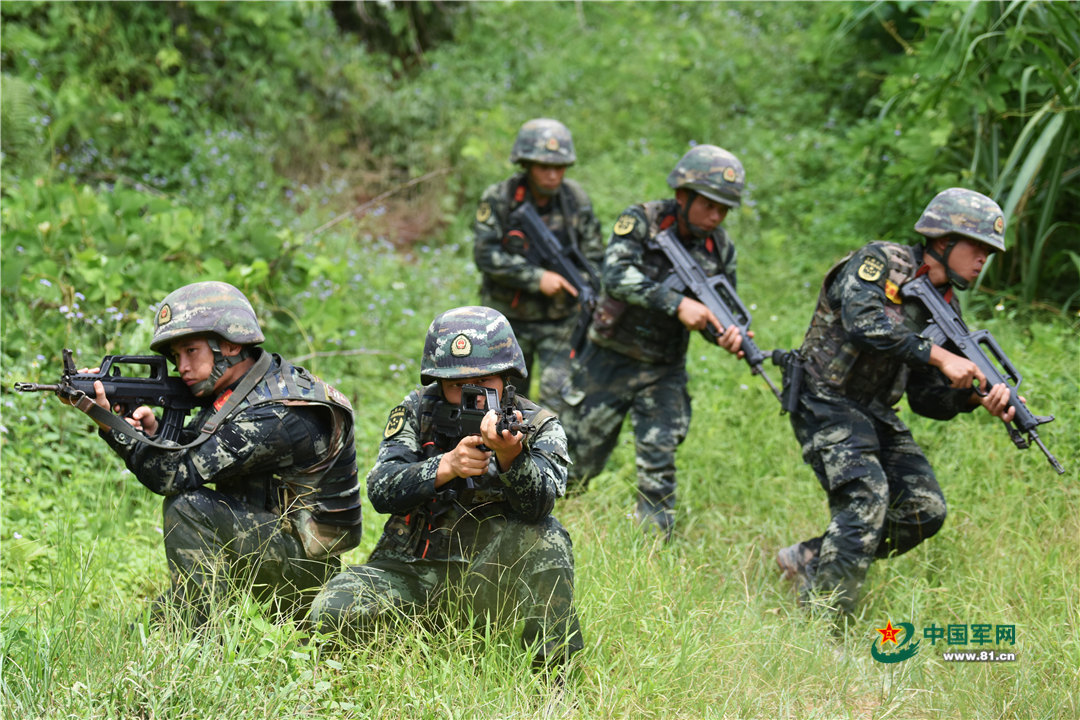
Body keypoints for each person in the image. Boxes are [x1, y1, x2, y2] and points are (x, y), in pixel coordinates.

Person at [775, 188, 1022, 616]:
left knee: (926, 509)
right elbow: (862, 322)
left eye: (989, 252)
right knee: (866, 502)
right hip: (825, 398)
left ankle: (813, 558)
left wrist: (970, 397)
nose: (983, 259)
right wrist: (940, 355)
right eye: (977, 247)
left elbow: (926, 399)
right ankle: (825, 625)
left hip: (873, 410)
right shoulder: (882, 262)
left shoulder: (945, 308)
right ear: (944, 241)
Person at [70, 281, 362, 625]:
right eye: (176, 356)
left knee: (187, 507)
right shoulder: (241, 391)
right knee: (146, 632)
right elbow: (192, 448)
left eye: (191, 351)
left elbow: (173, 475)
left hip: (302, 577)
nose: (182, 367)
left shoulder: (278, 412)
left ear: (229, 344)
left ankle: (203, 640)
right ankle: (203, 615)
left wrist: (108, 423)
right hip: (262, 549)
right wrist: (147, 431)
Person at [310, 306, 583, 672]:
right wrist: (445, 466)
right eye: (457, 386)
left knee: (547, 537)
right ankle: (394, 653)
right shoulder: (417, 410)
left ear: (507, 377)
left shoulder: (537, 426)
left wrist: (510, 457)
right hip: (410, 570)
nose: (473, 396)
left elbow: (539, 506)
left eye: (484, 384)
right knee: (332, 609)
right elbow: (380, 489)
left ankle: (553, 677)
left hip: (487, 584)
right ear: (438, 383)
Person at [561, 144, 748, 539]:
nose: (716, 216)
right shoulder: (642, 220)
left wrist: (727, 336)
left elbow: (719, 309)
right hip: (609, 360)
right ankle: (540, 524)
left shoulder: (720, 248)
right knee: (579, 460)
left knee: (658, 462)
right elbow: (614, 276)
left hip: (663, 369)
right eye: (709, 205)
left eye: (724, 209)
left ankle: (653, 548)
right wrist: (676, 302)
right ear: (683, 195)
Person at [472, 118, 604, 412]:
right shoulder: (500, 198)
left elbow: (595, 257)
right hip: (506, 322)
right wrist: (537, 278)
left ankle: (548, 455)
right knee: (500, 401)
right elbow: (485, 254)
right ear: (527, 164)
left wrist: (578, 283)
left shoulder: (575, 200)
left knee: (559, 401)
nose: (553, 175)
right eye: (545, 167)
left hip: (560, 321)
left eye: (559, 167)